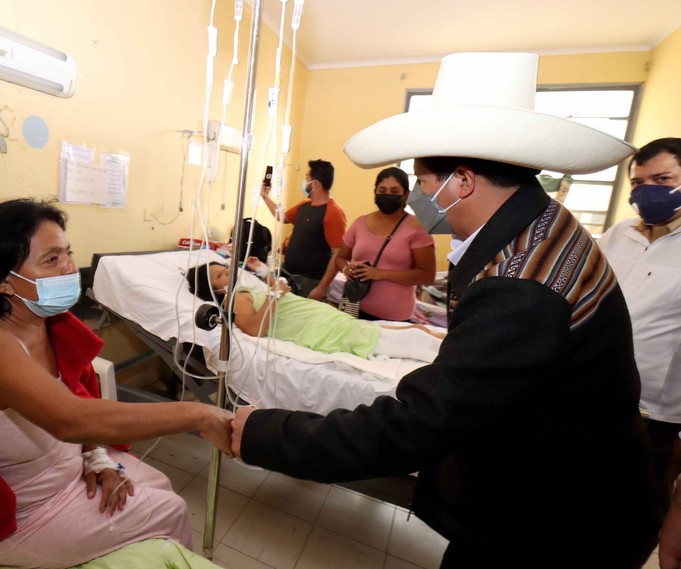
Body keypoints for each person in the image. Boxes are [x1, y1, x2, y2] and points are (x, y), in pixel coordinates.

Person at [230, 52, 661, 569]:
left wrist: (263, 431)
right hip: (551, 498)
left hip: (555, 525)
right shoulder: (543, 223)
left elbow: (418, 425)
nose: (417, 197)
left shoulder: (522, 283)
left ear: (462, 181)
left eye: (423, 183)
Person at [0, 198, 232, 569]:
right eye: (51, 260)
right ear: (3, 280)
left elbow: (74, 398)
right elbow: (69, 418)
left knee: (158, 484)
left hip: (63, 470)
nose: (70, 268)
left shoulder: (44, 324)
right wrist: (199, 415)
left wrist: (96, 456)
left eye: (67, 253)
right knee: (170, 509)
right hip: (17, 514)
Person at [598, 137, 681, 521]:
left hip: (656, 414)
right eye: (638, 182)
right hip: (596, 394)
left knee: (638, 509)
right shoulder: (619, 234)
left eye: (662, 179)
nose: (648, 191)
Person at [186, 261, 443, 363]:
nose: (227, 273)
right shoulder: (234, 298)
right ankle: (465, 357)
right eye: (219, 275)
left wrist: (267, 276)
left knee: (417, 330)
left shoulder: (244, 289)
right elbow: (254, 327)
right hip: (325, 332)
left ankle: (462, 349)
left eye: (224, 268)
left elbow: (272, 297)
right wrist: (276, 292)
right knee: (417, 340)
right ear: (213, 290)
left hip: (331, 322)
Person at [335, 166, 436, 321]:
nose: (387, 195)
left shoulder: (417, 228)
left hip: (395, 318)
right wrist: (346, 268)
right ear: (375, 192)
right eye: (382, 190)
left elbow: (427, 275)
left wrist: (380, 274)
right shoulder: (360, 223)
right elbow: (340, 257)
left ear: (406, 195)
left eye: (394, 191)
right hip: (354, 309)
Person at [260, 158, 346, 300]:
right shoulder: (304, 206)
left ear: (315, 183)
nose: (305, 181)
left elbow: (338, 255)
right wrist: (265, 197)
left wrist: (322, 287)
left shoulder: (333, 212)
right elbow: (282, 216)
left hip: (310, 282)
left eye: (307, 178)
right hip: (287, 274)